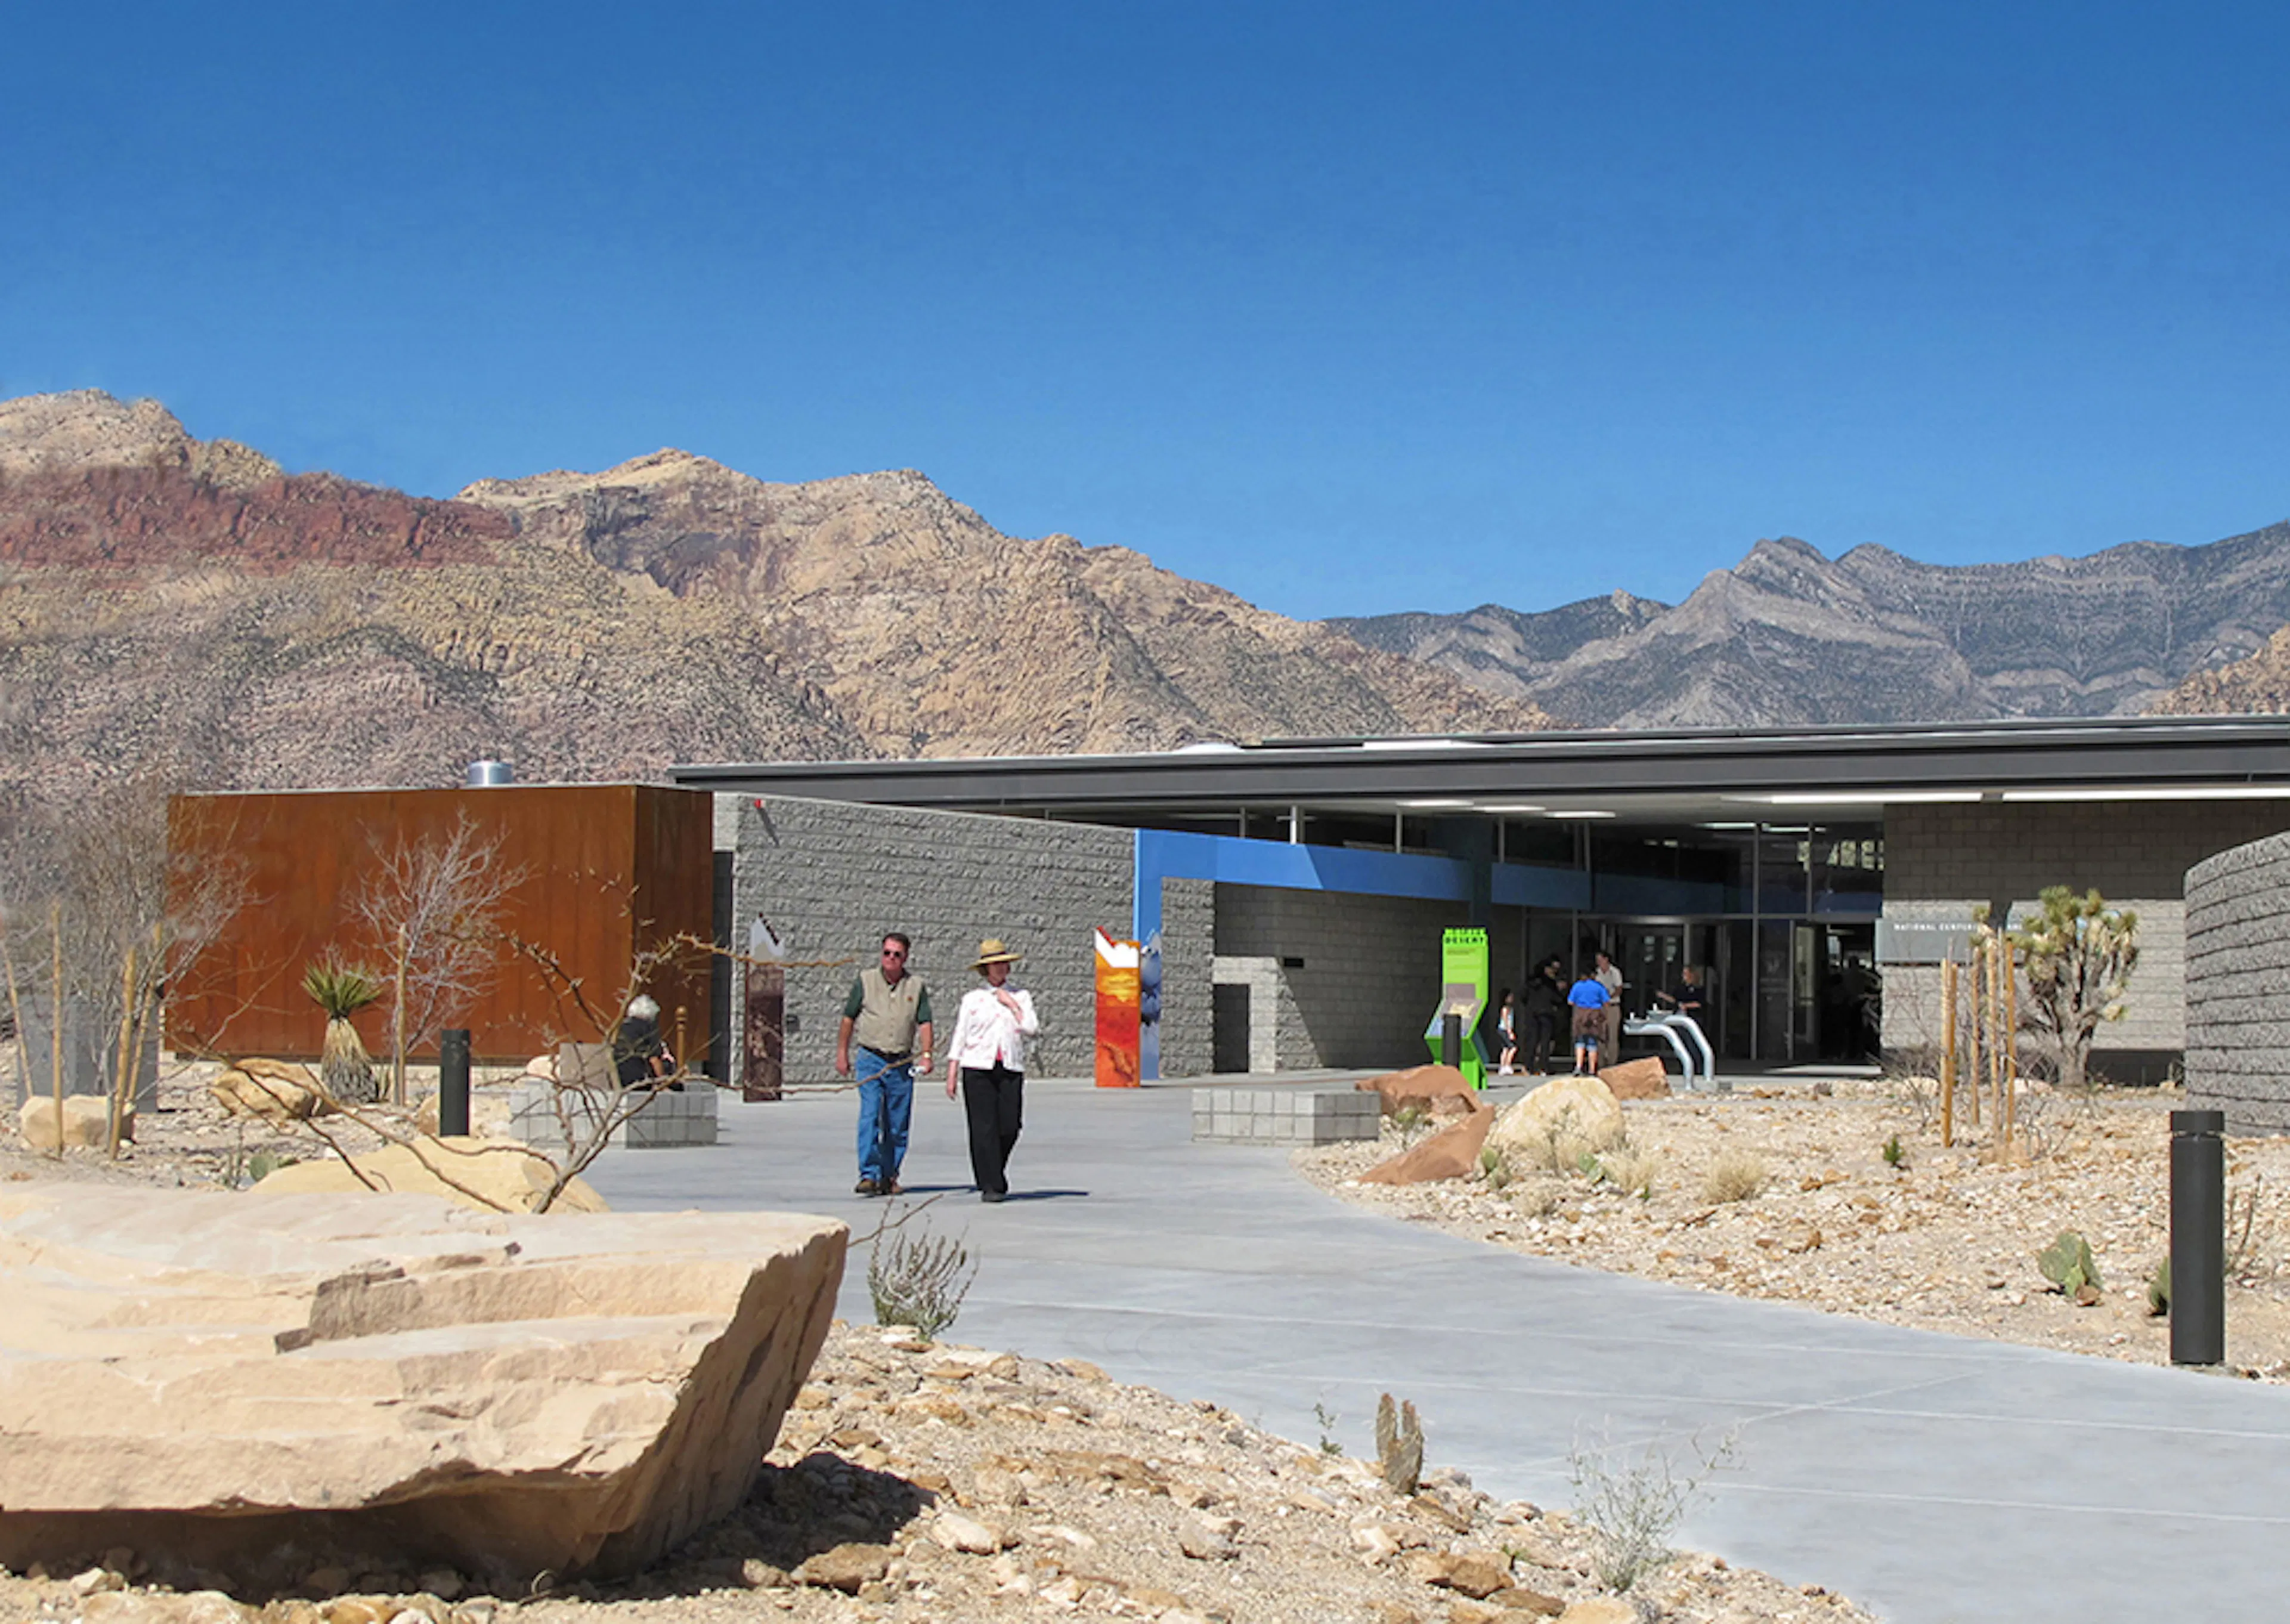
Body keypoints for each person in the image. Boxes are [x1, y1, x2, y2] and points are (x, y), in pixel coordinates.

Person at [835, 932, 934, 1197]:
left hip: (901, 1062)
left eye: (897, 954)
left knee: (897, 1123)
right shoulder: (866, 981)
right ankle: (868, 1174)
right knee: (870, 1115)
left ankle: (889, 1175)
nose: (890, 959)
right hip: (871, 1058)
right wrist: (842, 1053)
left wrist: (927, 1054)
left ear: (905, 958)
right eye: (887, 953)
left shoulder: (916, 986)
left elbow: (924, 1022)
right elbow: (848, 1018)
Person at [942, 938, 1038, 1203]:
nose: (1000, 969)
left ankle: (993, 1171)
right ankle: (991, 1184)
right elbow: (960, 1035)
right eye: (994, 965)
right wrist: (952, 1071)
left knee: (1010, 1125)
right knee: (983, 1127)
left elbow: (1031, 1028)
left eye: (1003, 964)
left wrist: (1013, 1006)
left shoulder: (1021, 996)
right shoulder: (973, 999)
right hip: (977, 1067)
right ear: (986, 969)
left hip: (1009, 1067)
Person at [613, 994, 676, 1087]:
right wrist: (663, 1085)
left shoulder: (622, 1027)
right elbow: (654, 1059)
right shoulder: (649, 1028)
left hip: (622, 1078)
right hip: (643, 1078)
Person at [1522, 957, 1564, 1075]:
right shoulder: (1550, 983)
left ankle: (1528, 1066)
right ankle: (1544, 1066)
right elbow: (1557, 999)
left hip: (1531, 1012)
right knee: (1545, 1041)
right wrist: (1561, 991)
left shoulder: (1530, 982)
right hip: (1546, 1012)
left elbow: (1523, 996)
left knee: (1532, 1040)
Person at [1567, 966, 1610, 1076]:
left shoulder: (1577, 986)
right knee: (1593, 1043)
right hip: (1594, 1015)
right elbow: (1606, 1002)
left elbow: (1570, 1002)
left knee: (1580, 1042)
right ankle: (1592, 1069)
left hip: (1580, 1015)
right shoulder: (1598, 987)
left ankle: (1578, 1067)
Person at [1593, 948, 1624, 1064]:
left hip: (1612, 1006)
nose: (1598, 962)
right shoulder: (1597, 973)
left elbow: (1619, 988)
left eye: (1600, 959)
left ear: (1606, 960)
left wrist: (1609, 997)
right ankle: (1601, 1062)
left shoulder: (1615, 972)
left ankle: (1612, 1062)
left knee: (1612, 1036)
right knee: (1600, 1034)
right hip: (1600, 1007)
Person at [1494, 988, 1517, 1075]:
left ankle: (1503, 1066)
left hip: (1503, 1030)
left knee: (1505, 1048)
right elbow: (1506, 1021)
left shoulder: (1510, 1008)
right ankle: (1507, 1065)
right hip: (1504, 1030)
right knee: (1513, 1048)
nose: (1512, 998)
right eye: (1510, 996)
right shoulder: (1505, 1009)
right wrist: (1510, 1032)